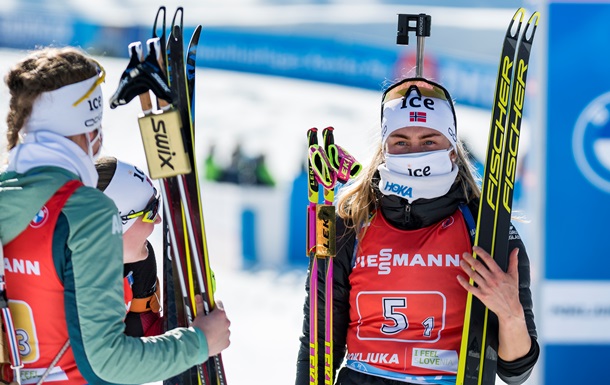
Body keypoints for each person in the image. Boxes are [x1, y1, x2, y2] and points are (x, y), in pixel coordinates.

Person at [0, 47, 230, 385]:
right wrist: (200, 342)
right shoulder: (86, 210)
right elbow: (109, 360)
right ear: (87, 131)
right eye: (96, 128)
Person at [295, 77, 539, 385]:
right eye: (401, 142)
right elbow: (318, 344)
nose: (415, 153)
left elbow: (516, 371)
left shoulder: (485, 227)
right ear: (385, 150)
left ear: (452, 149)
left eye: (429, 141)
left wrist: (510, 313)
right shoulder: (351, 221)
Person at [96, 156, 163, 336]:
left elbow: (144, 335)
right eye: (151, 211)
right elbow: (113, 360)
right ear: (117, 224)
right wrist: (195, 341)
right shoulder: (71, 283)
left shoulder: (136, 265)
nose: (158, 219)